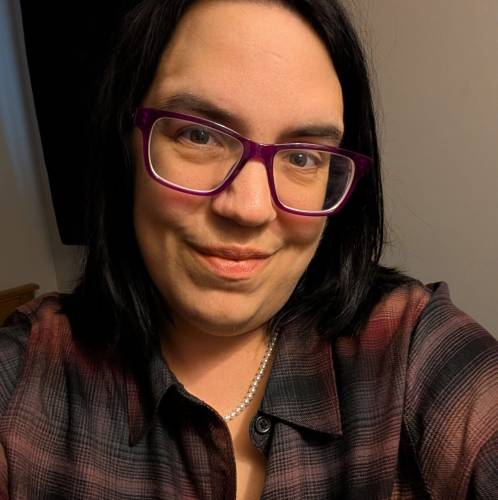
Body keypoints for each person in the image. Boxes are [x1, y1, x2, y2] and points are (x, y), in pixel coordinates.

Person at [1, 0, 497, 498]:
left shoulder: (411, 346)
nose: (251, 208)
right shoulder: (23, 385)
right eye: (199, 135)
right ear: (125, 146)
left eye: (303, 156)